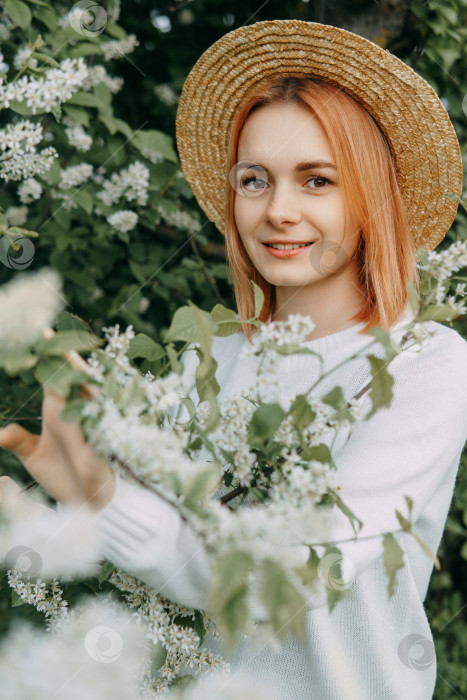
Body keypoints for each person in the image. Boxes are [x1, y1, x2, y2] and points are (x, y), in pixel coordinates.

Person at [1, 18, 467, 700]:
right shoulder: (210, 362)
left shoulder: (425, 364)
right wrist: (75, 501)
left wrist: (110, 498)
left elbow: (291, 576)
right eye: (254, 180)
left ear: (371, 193)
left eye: (316, 181)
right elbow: (157, 557)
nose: (277, 210)